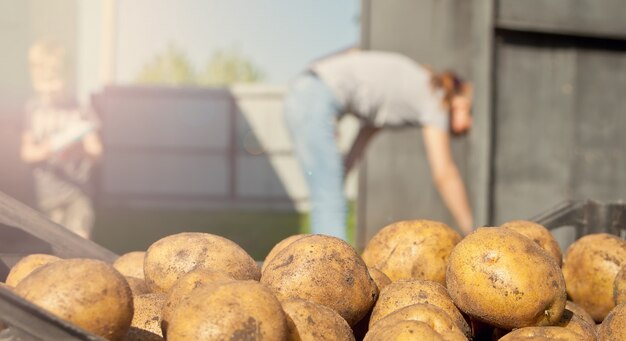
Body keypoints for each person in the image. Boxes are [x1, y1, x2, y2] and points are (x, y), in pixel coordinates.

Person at [283, 50, 474, 241]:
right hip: (314, 95)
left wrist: (341, 174)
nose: (470, 123)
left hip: (305, 92)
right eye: (468, 110)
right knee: (329, 199)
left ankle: (319, 261)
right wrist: (471, 231)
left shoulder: (411, 89)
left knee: (328, 195)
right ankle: (330, 267)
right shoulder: (437, 96)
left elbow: (364, 137)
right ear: (455, 100)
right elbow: (445, 173)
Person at [20, 40, 103, 239]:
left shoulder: (80, 110)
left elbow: (97, 152)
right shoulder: (33, 111)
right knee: (52, 247)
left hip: (77, 192)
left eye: (55, 82)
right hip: (46, 196)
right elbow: (27, 153)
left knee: (79, 240)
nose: (51, 89)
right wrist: (49, 147)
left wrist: (79, 150)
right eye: (45, 83)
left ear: (67, 78)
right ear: (35, 81)